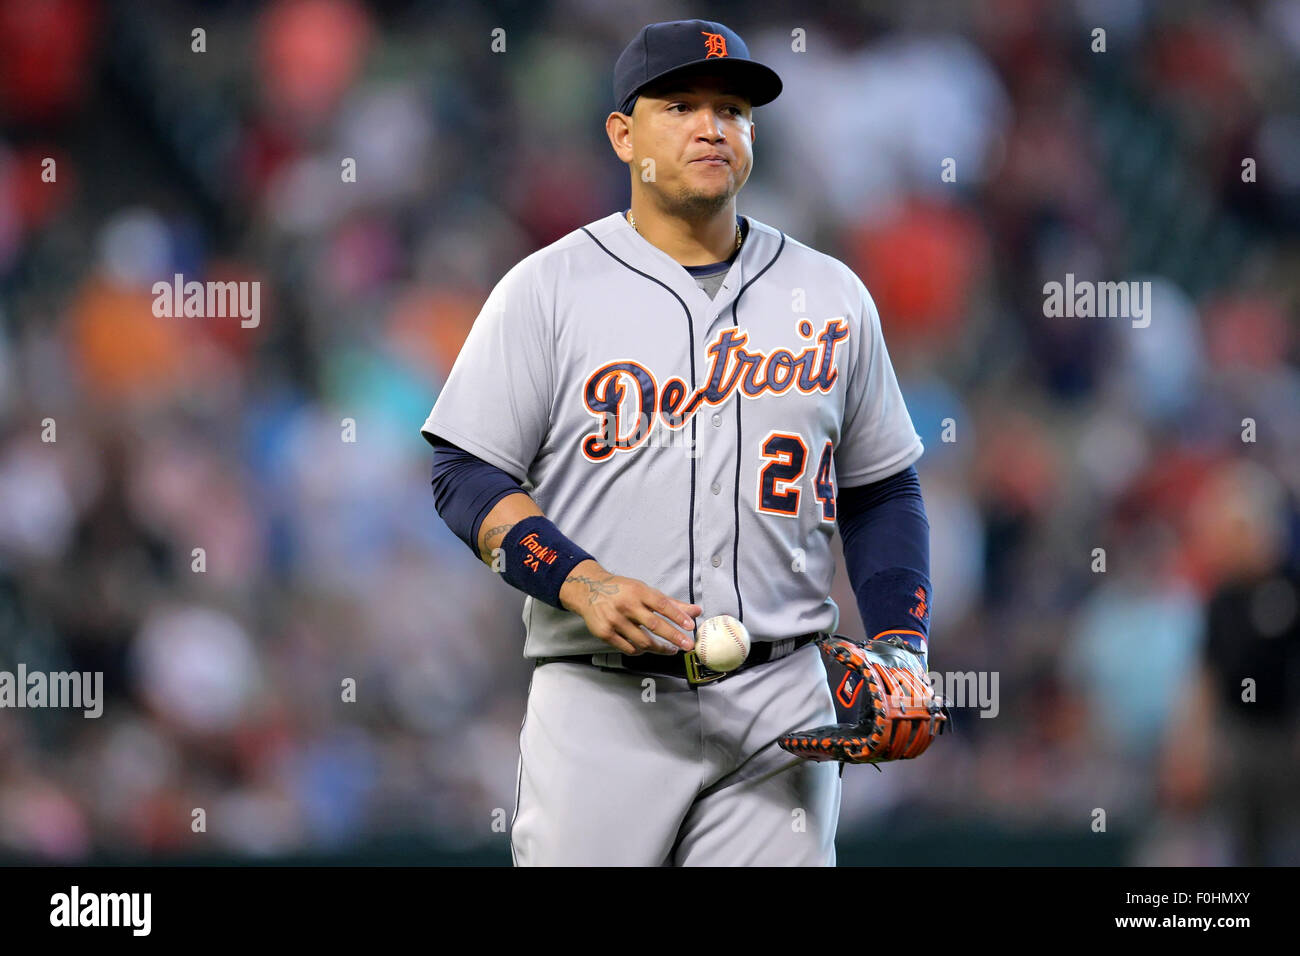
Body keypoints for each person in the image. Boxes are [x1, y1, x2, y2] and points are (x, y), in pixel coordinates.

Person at [421, 19, 934, 866]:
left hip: (784, 698)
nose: (711, 127)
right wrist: (578, 582)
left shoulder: (830, 292)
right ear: (623, 134)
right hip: (602, 700)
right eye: (681, 105)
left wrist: (900, 645)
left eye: (732, 110)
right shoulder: (547, 290)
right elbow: (464, 472)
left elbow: (881, 486)